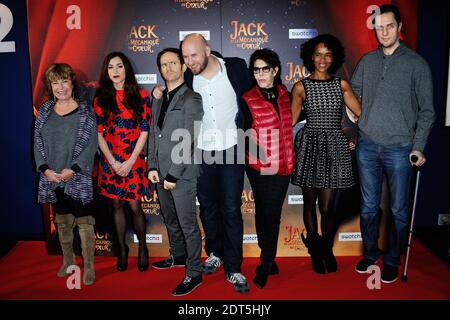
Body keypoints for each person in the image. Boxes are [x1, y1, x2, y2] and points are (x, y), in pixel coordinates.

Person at [351, 4, 435, 283]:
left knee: (399, 210)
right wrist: (356, 121)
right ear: (374, 28)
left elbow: (427, 111)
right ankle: (371, 253)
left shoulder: (416, 64)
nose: (384, 31)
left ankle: (391, 259)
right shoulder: (366, 61)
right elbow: (353, 95)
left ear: (400, 27)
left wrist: (418, 146)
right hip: (367, 146)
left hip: (401, 148)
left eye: (389, 26)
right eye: (379, 26)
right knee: (368, 206)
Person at [181, 33, 252, 293]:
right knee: (208, 207)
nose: (189, 61)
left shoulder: (235, 67)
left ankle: (234, 268)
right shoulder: (186, 76)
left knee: (231, 209)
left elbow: (252, 98)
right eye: (185, 57)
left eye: (194, 55)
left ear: (208, 50)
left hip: (232, 148)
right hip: (201, 151)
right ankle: (215, 252)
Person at [291, 34, 361, 274]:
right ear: (311, 56)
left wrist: (352, 136)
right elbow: (290, 120)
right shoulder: (301, 86)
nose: (322, 59)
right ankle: (315, 251)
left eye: (328, 54)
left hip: (334, 146)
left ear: (334, 58)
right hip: (310, 144)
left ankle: (326, 249)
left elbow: (360, 112)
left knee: (328, 208)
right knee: (310, 202)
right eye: (318, 54)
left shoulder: (341, 84)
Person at [34, 63, 98, 285]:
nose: (60, 87)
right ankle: (68, 260)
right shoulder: (44, 111)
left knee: (84, 221)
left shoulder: (85, 112)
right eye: (55, 82)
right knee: (61, 221)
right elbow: (37, 142)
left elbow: (91, 145)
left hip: (77, 177)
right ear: (50, 86)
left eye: (64, 81)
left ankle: (89, 265)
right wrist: (45, 169)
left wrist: (75, 169)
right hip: (52, 177)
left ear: (72, 83)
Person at [147, 48, 204, 296]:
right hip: (160, 171)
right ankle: (178, 255)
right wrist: (151, 166)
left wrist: (173, 174)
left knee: (188, 224)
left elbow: (190, 139)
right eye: (163, 64)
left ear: (183, 67)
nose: (168, 68)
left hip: (180, 174)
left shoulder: (192, 98)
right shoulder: (158, 97)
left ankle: (194, 273)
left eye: (173, 63)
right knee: (170, 220)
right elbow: (153, 133)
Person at [241, 48, 294, 288]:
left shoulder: (285, 93)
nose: (260, 74)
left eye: (265, 69)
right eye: (256, 69)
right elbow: (243, 133)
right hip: (260, 167)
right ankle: (267, 260)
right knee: (264, 212)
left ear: (275, 70)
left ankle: (267, 260)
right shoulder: (247, 98)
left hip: (284, 165)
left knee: (272, 214)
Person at [94, 52, 151, 272]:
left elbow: (144, 130)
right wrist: (112, 161)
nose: (116, 71)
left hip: (134, 160)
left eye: (119, 66)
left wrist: (130, 160)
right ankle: (122, 248)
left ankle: (144, 248)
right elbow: (98, 133)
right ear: (106, 71)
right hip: (110, 160)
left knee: (135, 206)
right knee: (116, 204)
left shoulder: (141, 94)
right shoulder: (101, 97)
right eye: (111, 67)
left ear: (127, 68)